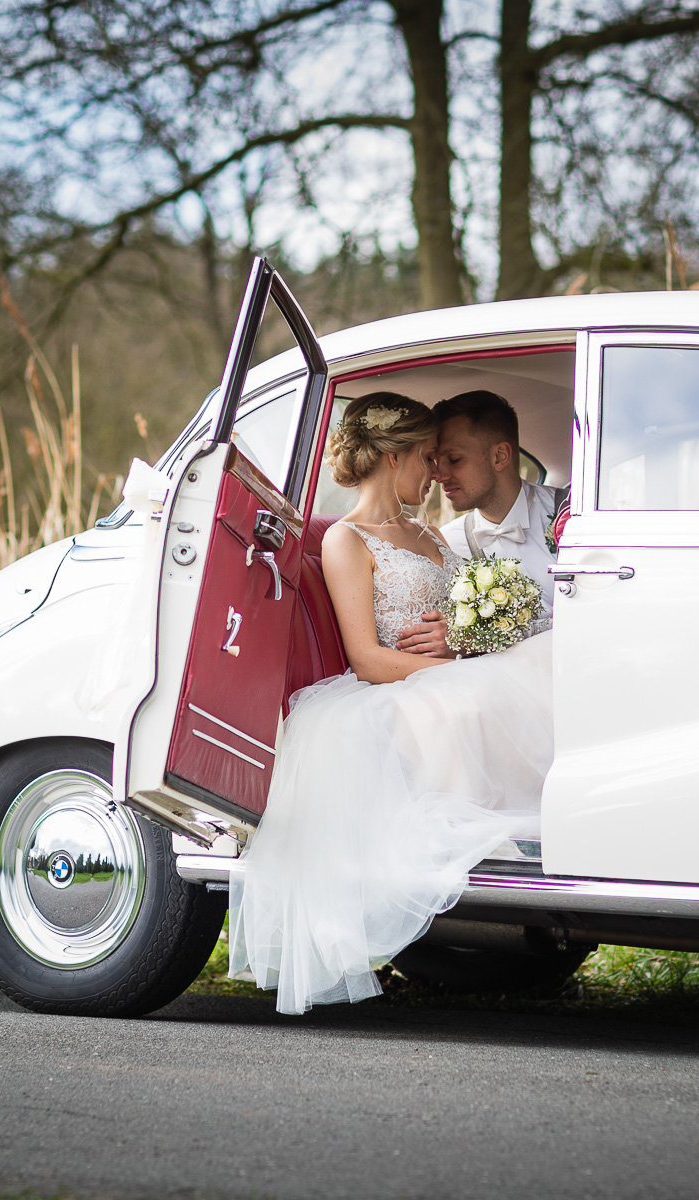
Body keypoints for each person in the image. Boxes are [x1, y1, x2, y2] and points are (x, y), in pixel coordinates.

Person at [227, 392, 554, 1015]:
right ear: (393, 456)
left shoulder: (434, 532)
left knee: (534, 667)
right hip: (390, 687)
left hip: (446, 670)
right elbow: (368, 659)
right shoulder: (346, 540)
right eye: (427, 457)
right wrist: (453, 670)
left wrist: (470, 646)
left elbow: (463, 616)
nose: (433, 473)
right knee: (469, 701)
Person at [430, 391, 566, 633]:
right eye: (435, 462)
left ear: (500, 456)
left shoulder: (572, 515)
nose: (440, 475)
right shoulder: (448, 542)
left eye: (454, 459)